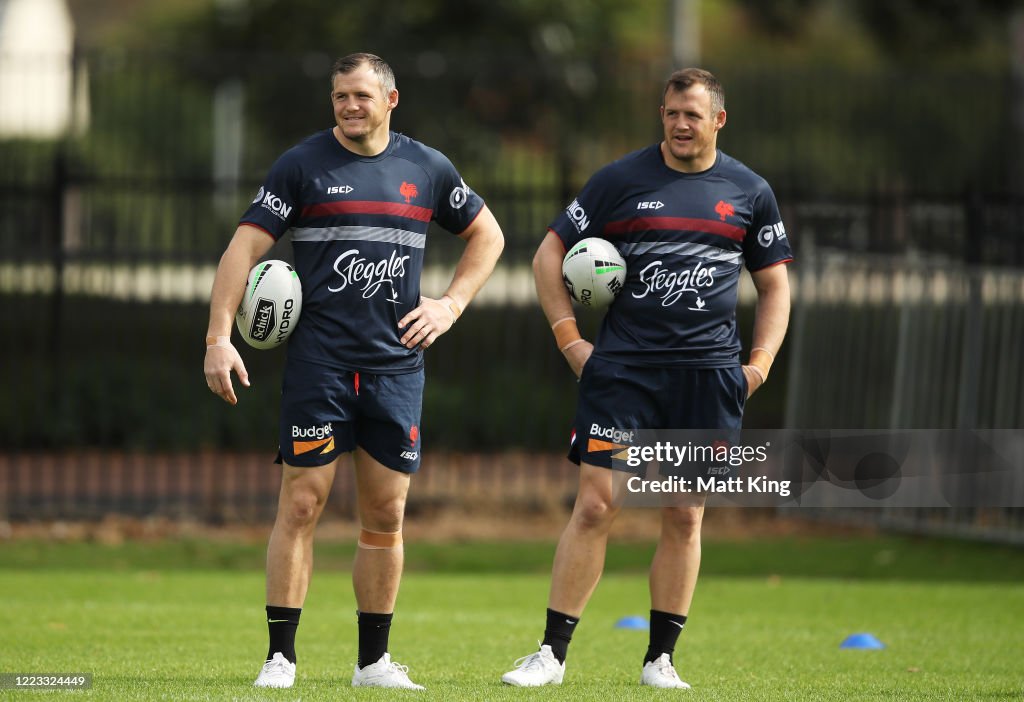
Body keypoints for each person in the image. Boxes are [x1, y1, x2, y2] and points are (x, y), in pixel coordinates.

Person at [203, 52, 504, 691]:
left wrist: (450, 304)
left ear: (390, 100)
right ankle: (280, 657)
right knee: (303, 502)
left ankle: (373, 664)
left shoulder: (426, 167)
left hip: (396, 369)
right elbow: (243, 248)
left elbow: (489, 236)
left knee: (386, 513)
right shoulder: (302, 165)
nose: (349, 106)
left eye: (361, 96)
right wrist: (217, 337)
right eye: (340, 96)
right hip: (320, 367)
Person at [501, 67, 792, 689]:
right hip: (623, 374)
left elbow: (774, 284)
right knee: (596, 505)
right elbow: (548, 253)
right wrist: (570, 340)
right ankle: (550, 655)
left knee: (685, 514)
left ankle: (660, 660)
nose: (680, 124)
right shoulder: (620, 180)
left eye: (692, 114)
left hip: (707, 379)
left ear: (718, 119)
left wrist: (759, 364)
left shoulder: (749, 190)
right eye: (670, 113)